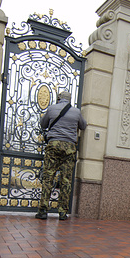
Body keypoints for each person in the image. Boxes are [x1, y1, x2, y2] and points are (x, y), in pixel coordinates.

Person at [35, 91, 87, 220]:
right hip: (69, 147)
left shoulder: (52, 108)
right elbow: (83, 125)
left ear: (59, 99)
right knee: (66, 181)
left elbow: (43, 124)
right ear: (69, 100)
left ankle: (43, 210)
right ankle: (62, 212)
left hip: (53, 145)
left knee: (48, 177)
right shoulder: (76, 112)